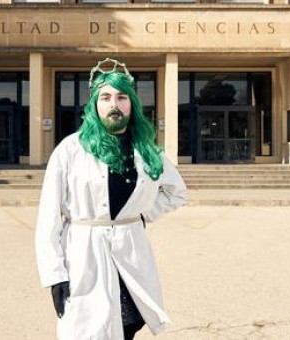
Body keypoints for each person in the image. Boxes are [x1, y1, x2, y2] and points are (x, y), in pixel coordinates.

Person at [35, 58, 187, 340]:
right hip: (85, 254)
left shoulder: (147, 150)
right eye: (105, 97)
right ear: (94, 104)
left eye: (121, 97)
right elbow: (49, 216)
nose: (114, 104)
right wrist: (55, 273)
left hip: (130, 254)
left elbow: (176, 191)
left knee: (128, 325)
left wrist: (142, 214)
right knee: (88, 329)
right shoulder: (70, 150)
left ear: (132, 104)